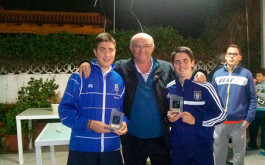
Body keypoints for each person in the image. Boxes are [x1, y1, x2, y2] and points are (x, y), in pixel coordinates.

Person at [78, 32, 206, 165]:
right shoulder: (121, 68)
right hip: (132, 138)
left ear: (153, 48)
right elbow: (103, 63)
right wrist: (86, 63)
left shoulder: (166, 68)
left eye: (146, 46)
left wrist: (199, 73)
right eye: (137, 46)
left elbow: (183, 75)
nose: (141, 50)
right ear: (131, 48)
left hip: (161, 138)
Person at [59, 33, 128, 165]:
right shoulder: (79, 76)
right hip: (82, 148)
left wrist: (123, 122)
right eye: (102, 50)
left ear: (115, 52)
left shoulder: (119, 80)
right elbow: (64, 112)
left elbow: (119, 110)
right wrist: (89, 124)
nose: (107, 55)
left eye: (110, 50)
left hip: (111, 148)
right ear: (95, 52)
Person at [166, 47, 226, 165]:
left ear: (193, 63)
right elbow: (167, 113)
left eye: (185, 60)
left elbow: (222, 115)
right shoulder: (169, 87)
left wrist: (196, 120)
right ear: (173, 65)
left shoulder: (206, 87)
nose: (181, 65)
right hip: (178, 149)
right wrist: (169, 118)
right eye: (177, 62)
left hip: (202, 148)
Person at [212, 44, 257, 165]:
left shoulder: (246, 74)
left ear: (240, 57)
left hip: (239, 123)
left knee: (239, 155)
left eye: (235, 54)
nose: (232, 56)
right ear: (225, 57)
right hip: (220, 123)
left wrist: (248, 119)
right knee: (218, 154)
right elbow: (212, 98)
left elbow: (253, 98)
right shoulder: (217, 74)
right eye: (229, 54)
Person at [247, 68, 265, 156]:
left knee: (264, 130)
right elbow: (250, 93)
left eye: (259, 76)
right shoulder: (255, 84)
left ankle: (264, 148)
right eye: (256, 76)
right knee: (253, 129)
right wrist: (253, 84)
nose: (257, 78)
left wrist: (257, 93)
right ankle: (252, 144)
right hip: (255, 110)